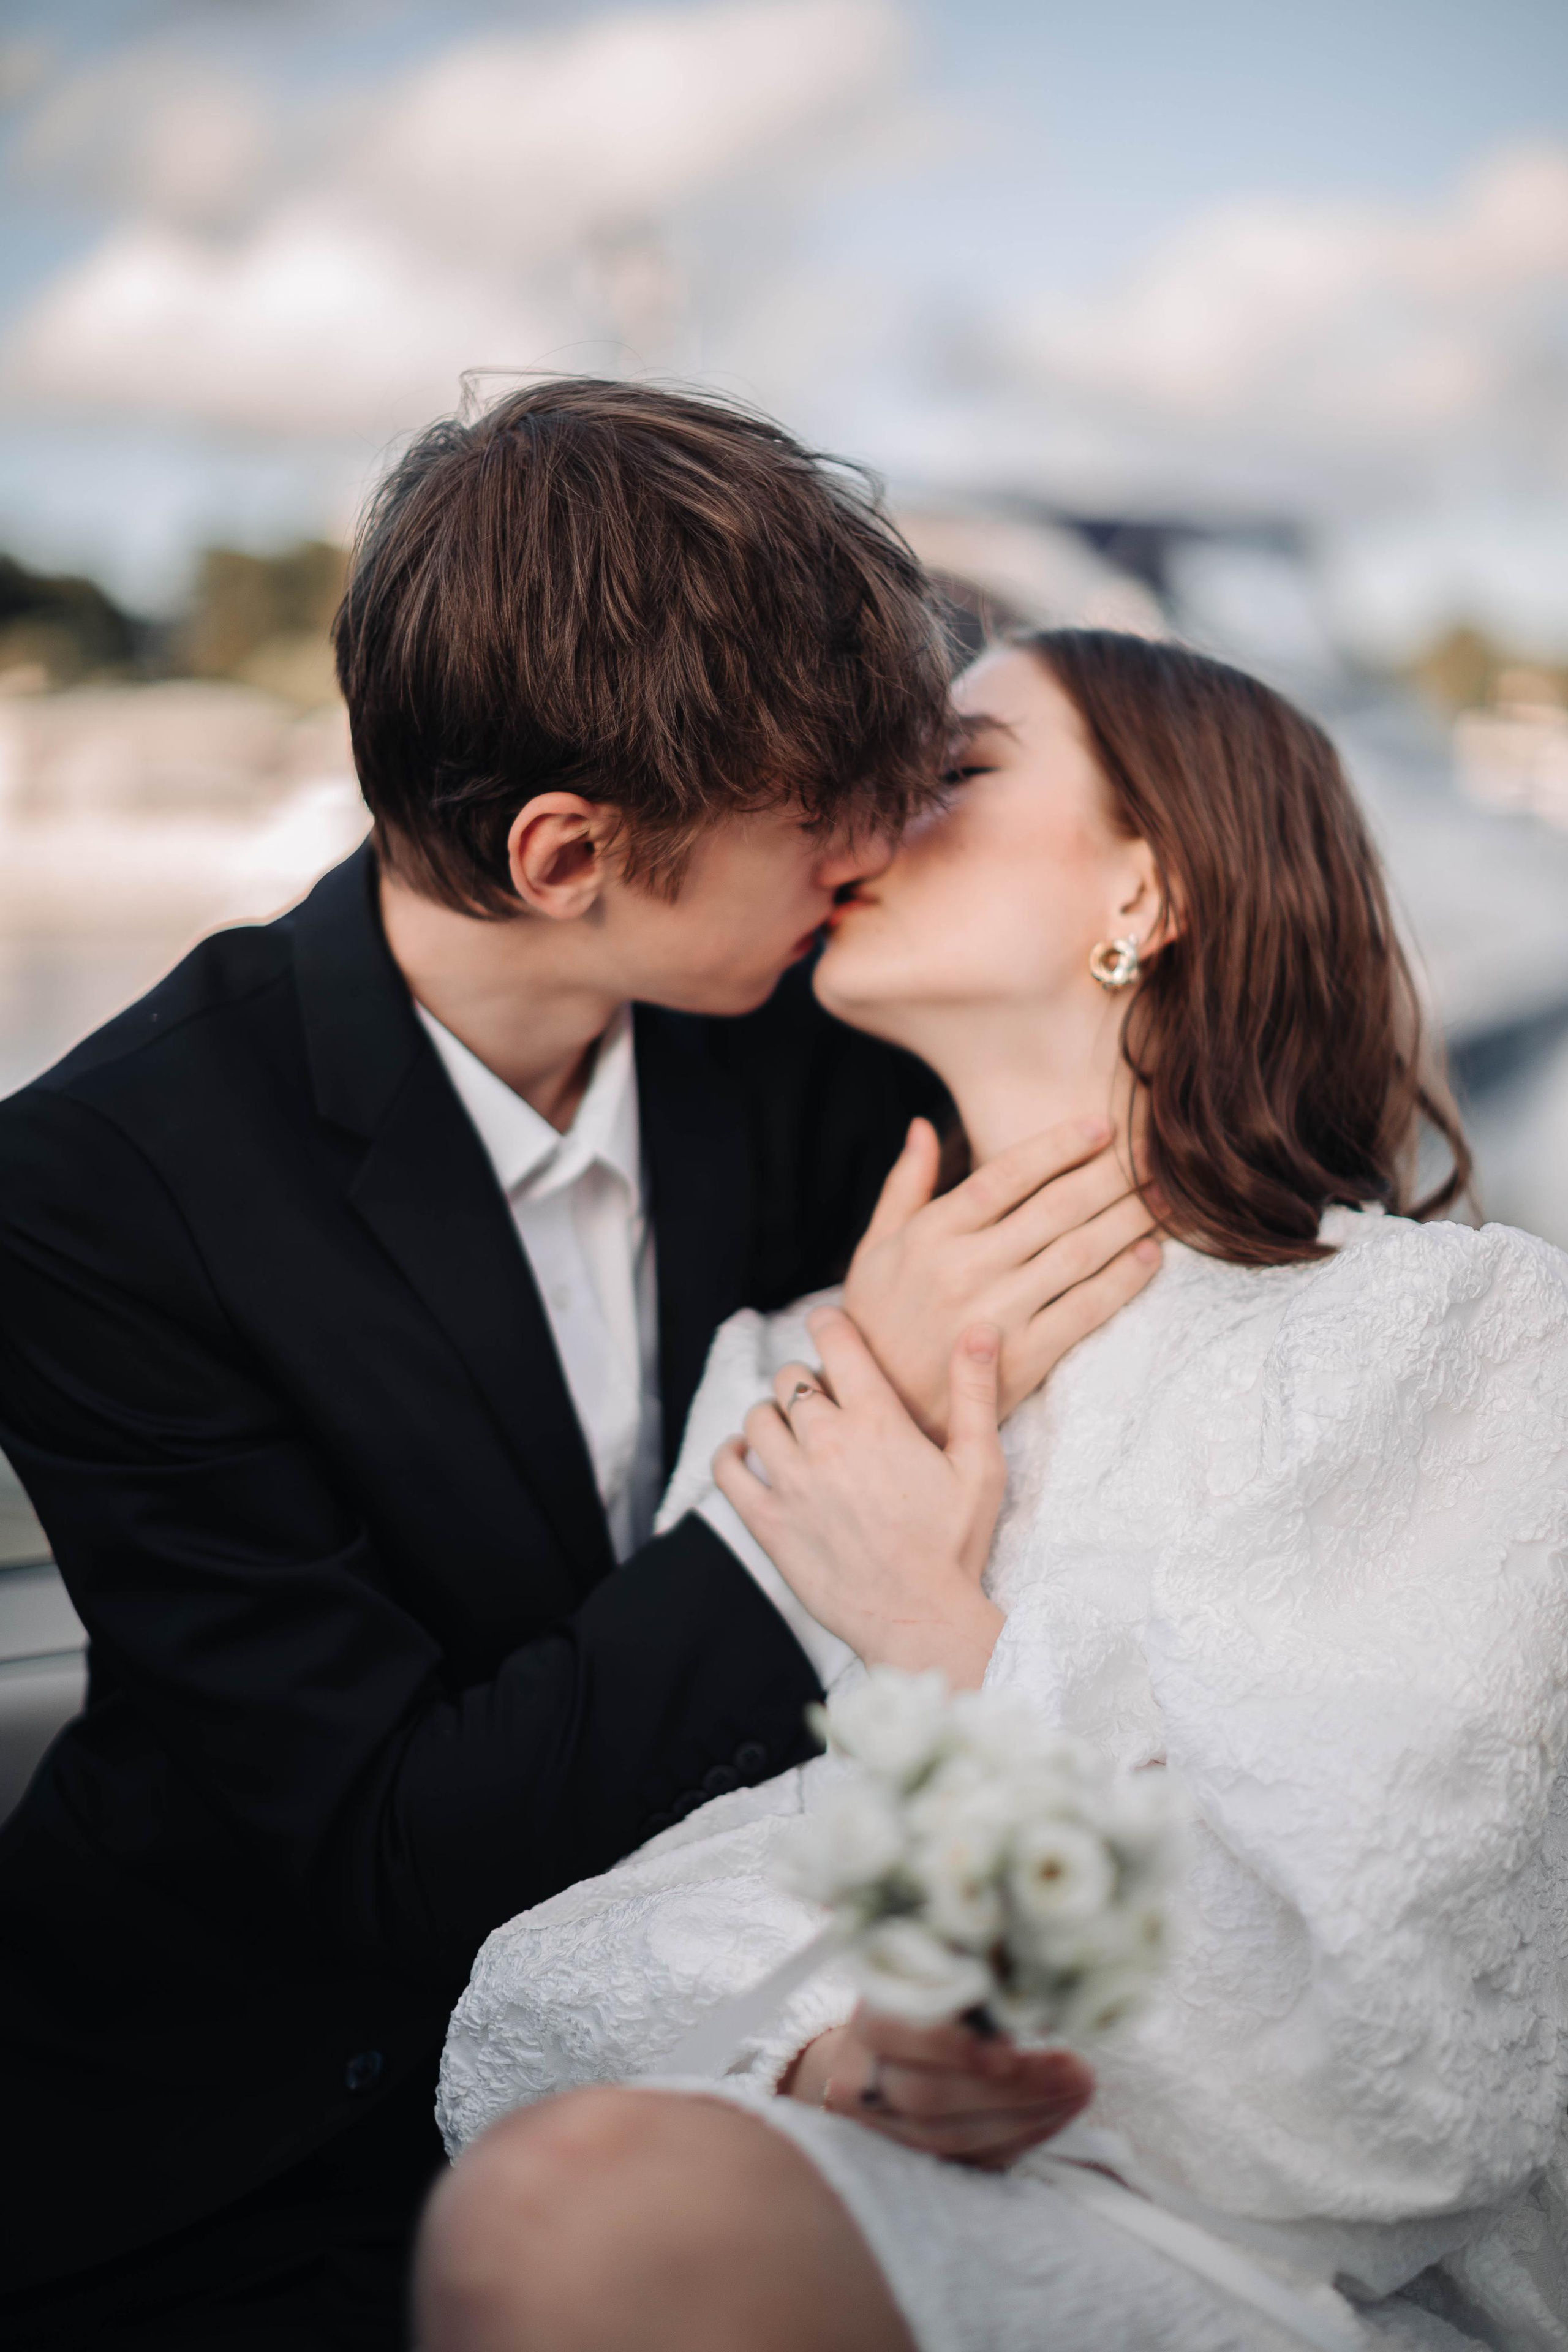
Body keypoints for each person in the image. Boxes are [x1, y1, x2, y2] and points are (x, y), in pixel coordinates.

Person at [0, 386, 1158, 2350]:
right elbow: (387, 1851)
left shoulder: (817, 1026)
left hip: (732, 2041)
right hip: (256, 2123)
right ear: (565, 854)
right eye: (823, 819)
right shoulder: (97, 1193)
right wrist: (838, 1418)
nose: (880, 854)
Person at [425, 631, 1568, 2352]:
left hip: (1289, 2277)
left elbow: (1403, 2051)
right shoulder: (794, 1371)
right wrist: (821, 2055)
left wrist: (944, 1653)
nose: (867, 818)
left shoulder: (1470, 1340)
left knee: (595, 2227)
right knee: (571, 2201)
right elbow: (563, 1970)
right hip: (842, 2172)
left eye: (953, 773)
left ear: (1154, 886)